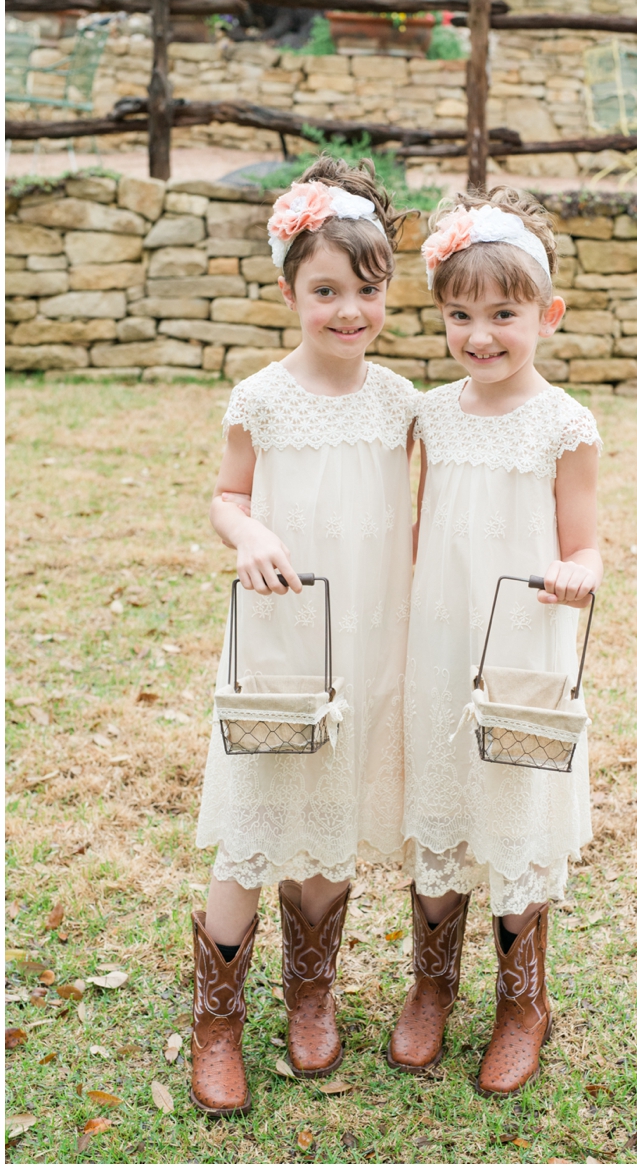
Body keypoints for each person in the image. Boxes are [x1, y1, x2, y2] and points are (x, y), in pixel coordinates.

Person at [192, 157, 418, 1117]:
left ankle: (312, 989)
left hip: (367, 633)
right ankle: (217, 1015)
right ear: (288, 289)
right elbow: (227, 494)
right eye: (326, 290)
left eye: (366, 291)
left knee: (331, 808)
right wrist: (250, 535)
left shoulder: (404, 403)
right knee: (253, 816)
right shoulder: (263, 396)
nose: (347, 310)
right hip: (282, 632)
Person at [388, 189, 603, 1096]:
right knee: (440, 809)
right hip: (442, 638)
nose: (481, 334)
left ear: (546, 315)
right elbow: (422, 526)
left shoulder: (566, 424)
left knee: (512, 815)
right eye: (460, 314)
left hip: (523, 644)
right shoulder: (432, 415)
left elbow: (584, 535)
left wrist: (582, 568)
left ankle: (523, 1000)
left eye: (504, 314)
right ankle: (432, 982)